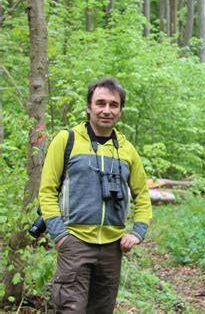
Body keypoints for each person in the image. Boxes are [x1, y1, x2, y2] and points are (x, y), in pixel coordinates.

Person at [39, 77, 152, 313]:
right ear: (89, 106)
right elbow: (47, 191)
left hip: (113, 248)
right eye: (100, 103)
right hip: (75, 243)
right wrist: (60, 235)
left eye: (114, 105)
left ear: (120, 110)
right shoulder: (66, 140)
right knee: (70, 309)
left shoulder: (127, 149)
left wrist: (138, 231)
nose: (106, 110)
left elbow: (142, 195)